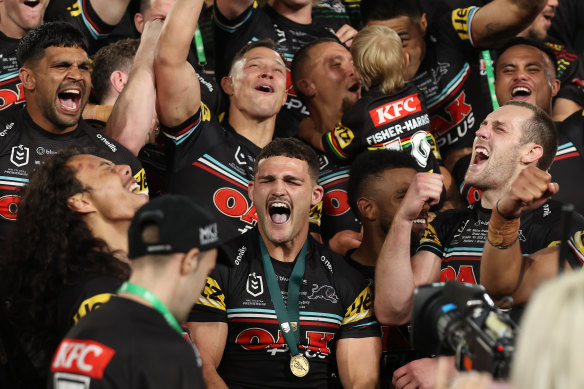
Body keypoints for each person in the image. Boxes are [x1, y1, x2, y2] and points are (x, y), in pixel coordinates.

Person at [375, 101, 584, 388]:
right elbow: (394, 309)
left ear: (531, 152)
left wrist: (451, 366)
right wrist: (404, 219)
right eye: (482, 125)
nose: (480, 133)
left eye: (498, 128)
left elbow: (558, 329)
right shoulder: (449, 223)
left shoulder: (564, 224)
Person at [188, 137, 381, 388]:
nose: (278, 189)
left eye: (292, 181)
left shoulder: (348, 280)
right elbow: (202, 370)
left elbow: (362, 382)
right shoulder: (214, 267)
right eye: (267, 180)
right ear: (252, 191)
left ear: (315, 195)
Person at [0, 149, 148, 384]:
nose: (126, 169)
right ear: (81, 201)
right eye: (107, 168)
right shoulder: (97, 292)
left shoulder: (120, 283)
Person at [148, 0, 287, 242]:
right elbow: (169, 59)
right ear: (228, 84)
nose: (268, 73)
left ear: (285, 96)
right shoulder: (198, 135)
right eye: (255, 65)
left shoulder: (293, 168)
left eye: (278, 70)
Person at [47, 194, 218, 388]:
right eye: (207, 271)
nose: (202, 286)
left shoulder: (80, 330)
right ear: (190, 262)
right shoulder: (165, 349)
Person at [0, 22, 147, 243]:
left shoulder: (121, 161)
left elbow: (138, 243)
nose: (77, 75)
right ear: (28, 78)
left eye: (84, 67)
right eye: (61, 66)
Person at [360, 0, 547, 169]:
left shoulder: (447, 32)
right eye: (380, 44)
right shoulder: (360, 67)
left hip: (498, 160)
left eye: (401, 41)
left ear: (423, 24)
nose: (395, 56)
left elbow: (523, 7)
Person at [455, 37, 584, 215]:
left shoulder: (578, 130)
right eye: (509, 70)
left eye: (533, 69)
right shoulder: (468, 165)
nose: (520, 76)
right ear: (495, 86)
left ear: (554, 86)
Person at [346, 149, 433, 387]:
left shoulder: (436, 267)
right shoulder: (331, 275)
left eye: (422, 196)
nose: (420, 205)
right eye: (404, 196)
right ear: (368, 209)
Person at [214, 0, 358, 136]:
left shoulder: (337, 38)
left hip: (320, 153)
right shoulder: (247, 22)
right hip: (243, 151)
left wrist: (363, 52)